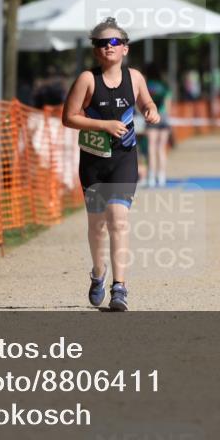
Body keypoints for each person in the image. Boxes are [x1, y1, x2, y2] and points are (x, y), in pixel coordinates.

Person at [62, 17, 160, 312]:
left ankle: (120, 287)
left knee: (118, 220)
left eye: (114, 42)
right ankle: (97, 273)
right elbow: (69, 117)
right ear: (95, 51)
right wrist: (103, 125)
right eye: (101, 43)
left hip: (124, 159)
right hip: (93, 161)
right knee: (97, 226)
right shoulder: (87, 80)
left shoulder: (136, 78)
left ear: (125, 49)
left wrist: (152, 111)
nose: (108, 47)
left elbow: (147, 103)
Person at [143, 62, 172, 186]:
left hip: (151, 116)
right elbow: (168, 104)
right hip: (164, 118)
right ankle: (162, 176)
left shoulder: (146, 85)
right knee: (161, 148)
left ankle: (151, 176)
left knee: (151, 147)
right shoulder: (165, 86)